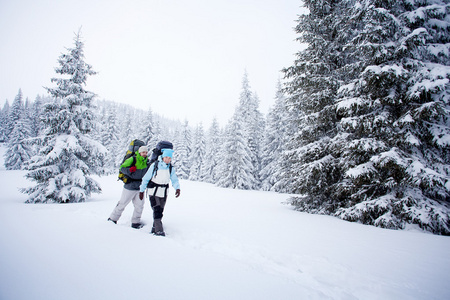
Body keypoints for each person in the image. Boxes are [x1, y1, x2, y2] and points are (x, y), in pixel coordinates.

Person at [139, 148, 180, 236]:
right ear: (162, 157)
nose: (168, 160)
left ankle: (154, 227)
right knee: (157, 210)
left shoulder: (170, 168)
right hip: (153, 191)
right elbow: (146, 178)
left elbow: (174, 179)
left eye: (170, 158)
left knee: (160, 210)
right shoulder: (155, 165)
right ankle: (159, 230)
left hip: (164, 192)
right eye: (166, 158)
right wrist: (141, 191)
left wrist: (177, 188)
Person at [108, 146, 149, 228]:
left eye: (146, 152)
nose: (144, 154)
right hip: (129, 186)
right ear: (139, 152)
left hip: (140, 187)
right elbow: (122, 168)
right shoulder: (133, 159)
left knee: (139, 205)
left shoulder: (147, 162)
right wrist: (130, 170)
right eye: (143, 152)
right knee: (122, 203)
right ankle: (113, 219)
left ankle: (135, 222)